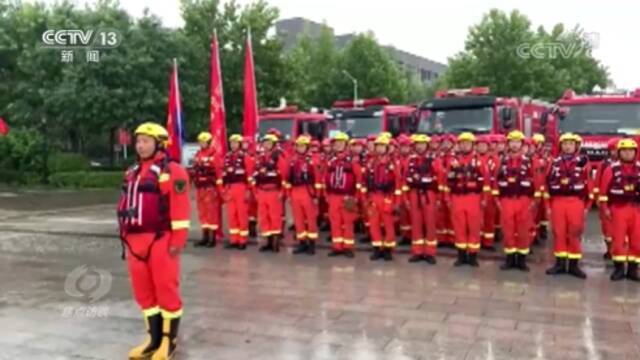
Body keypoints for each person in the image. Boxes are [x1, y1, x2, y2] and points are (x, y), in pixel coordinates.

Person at [117, 122, 190, 360]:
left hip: (161, 238)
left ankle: (169, 342)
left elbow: (180, 208)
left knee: (166, 289)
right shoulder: (132, 172)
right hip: (135, 241)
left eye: (146, 141)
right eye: (138, 141)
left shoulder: (174, 171)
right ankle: (153, 340)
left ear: (159, 143)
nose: (140, 145)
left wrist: (178, 241)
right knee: (144, 293)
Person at [544, 133, 591, 279]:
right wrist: (548, 206)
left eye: (570, 144)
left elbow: (590, 186)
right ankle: (559, 263)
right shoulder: (554, 162)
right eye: (565, 144)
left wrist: (586, 207)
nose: (567, 146)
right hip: (558, 201)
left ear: (576, 146)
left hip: (576, 201)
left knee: (575, 232)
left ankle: (573, 265)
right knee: (559, 232)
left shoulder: (583, 163)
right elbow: (546, 184)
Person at [492, 131, 541, 271]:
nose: (514, 144)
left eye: (517, 142)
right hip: (507, 200)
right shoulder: (502, 161)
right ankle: (509, 259)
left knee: (523, 230)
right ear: (508, 144)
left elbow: (536, 181)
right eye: (512, 142)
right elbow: (496, 181)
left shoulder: (530, 161)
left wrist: (535, 201)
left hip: (524, 200)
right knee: (508, 230)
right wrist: (497, 201)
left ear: (522, 144)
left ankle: (521, 260)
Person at [442, 132, 490, 267]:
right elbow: (447, 182)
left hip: (474, 198)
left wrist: (484, 199)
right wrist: (447, 199)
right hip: (457, 198)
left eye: (467, 143)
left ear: (472, 145)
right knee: (459, 227)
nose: (465, 145)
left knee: (474, 227)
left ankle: (473, 256)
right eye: (462, 143)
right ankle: (461, 255)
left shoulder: (480, 162)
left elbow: (486, 183)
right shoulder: (453, 162)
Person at [598, 138, 640, 281]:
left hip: (636, 209)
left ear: (635, 152)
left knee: (636, 240)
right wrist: (605, 209)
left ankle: (633, 269)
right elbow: (603, 192)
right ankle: (619, 268)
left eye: (631, 151)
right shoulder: (611, 169)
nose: (628, 153)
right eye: (624, 151)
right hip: (618, 208)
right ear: (619, 152)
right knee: (618, 239)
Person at [363, 134, 403, 261]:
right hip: (374, 197)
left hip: (387, 197)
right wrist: (366, 199)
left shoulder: (392, 163)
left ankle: (387, 249)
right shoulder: (370, 162)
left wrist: (396, 202)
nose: (380, 149)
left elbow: (398, 184)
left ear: (387, 148)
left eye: (382, 146)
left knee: (388, 225)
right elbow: (364, 182)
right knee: (374, 225)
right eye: (378, 146)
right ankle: (377, 248)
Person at [283, 135, 321, 255]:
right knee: (298, 219)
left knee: (310, 219)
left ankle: (312, 244)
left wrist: (316, 196)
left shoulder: (313, 160)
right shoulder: (293, 160)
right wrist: (289, 195)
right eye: (298, 146)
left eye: (302, 146)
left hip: (308, 191)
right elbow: (287, 178)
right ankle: (302, 242)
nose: (300, 148)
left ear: (307, 147)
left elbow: (318, 180)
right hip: (295, 191)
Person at [325, 131, 361, 258]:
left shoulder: (352, 161)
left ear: (346, 145)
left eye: (341, 143)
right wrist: (327, 195)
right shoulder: (330, 160)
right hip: (334, 196)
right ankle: (337, 247)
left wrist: (355, 198)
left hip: (347, 196)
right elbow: (325, 179)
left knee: (347, 222)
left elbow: (359, 180)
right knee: (335, 222)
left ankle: (348, 247)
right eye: (336, 143)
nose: (338, 145)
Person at [404, 134, 439, 264]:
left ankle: (430, 252)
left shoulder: (434, 160)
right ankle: (417, 251)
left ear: (427, 146)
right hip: (414, 194)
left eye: (422, 144)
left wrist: (439, 198)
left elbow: (440, 179)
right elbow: (405, 181)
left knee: (430, 225)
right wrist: (406, 198)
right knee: (416, 224)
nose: (420, 146)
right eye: (418, 144)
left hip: (429, 195)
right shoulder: (410, 161)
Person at [251, 134, 287, 252]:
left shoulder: (279, 158)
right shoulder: (259, 158)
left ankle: (275, 242)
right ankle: (267, 242)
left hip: (273, 191)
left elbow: (284, 177)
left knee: (274, 216)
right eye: (265, 143)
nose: (266, 145)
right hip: (261, 191)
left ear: (274, 145)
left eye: (269, 143)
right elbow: (254, 176)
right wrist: (255, 191)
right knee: (263, 217)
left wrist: (282, 192)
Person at [220, 134, 253, 250]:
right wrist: (224, 190)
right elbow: (223, 174)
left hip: (241, 187)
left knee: (242, 215)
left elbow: (250, 175)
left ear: (240, 144)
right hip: (230, 188)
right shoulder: (227, 157)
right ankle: (234, 239)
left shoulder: (245, 157)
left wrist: (249, 190)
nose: (233, 145)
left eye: (235, 143)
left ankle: (242, 240)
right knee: (231, 215)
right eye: (231, 143)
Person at [191, 132, 220, 248]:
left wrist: (219, 189)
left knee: (211, 213)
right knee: (202, 213)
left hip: (210, 187)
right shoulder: (198, 154)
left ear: (209, 142)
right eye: (200, 141)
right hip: (200, 187)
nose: (202, 143)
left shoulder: (214, 154)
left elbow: (218, 171)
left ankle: (212, 238)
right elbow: (194, 169)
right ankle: (205, 237)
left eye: (204, 141)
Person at [594, 137, 621, 260]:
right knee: (607, 228)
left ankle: (619, 250)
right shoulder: (604, 165)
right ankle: (609, 250)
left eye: (616, 150)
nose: (614, 152)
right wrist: (597, 198)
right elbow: (597, 182)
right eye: (612, 150)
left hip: (620, 201)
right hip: (607, 200)